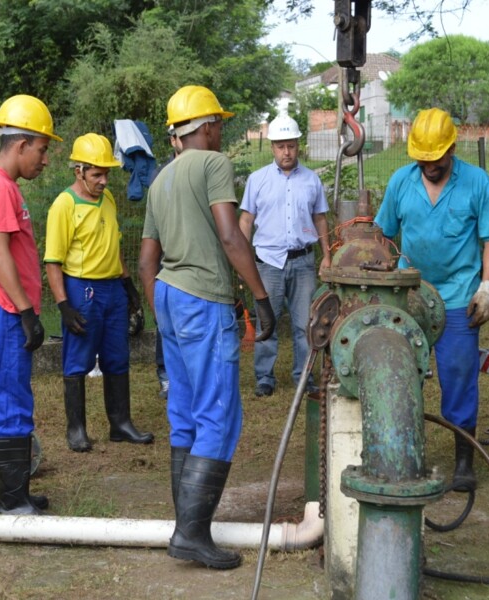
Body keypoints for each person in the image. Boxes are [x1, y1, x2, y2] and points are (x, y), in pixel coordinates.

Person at [138, 85, 276, 570]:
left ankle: (186, 525)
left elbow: (145, 261)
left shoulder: (160, 180)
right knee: (218, 414)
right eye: (219, 123)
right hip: (203, 298)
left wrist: (163, 316)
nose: (222, 130)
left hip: (170, 297)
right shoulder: (214, 165)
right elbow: (230, 235)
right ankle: (192, 535)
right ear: (207, 127)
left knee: (185, 413)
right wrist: (260, 297)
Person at [374, 107, 489, 492]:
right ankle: (400, 451)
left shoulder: (477, 183)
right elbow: (383, 233)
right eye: (422, 159)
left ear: (452, 148)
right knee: (398, 372)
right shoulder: (401, 182)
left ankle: (464, 460)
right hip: (408, 295)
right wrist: (383, 271)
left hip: (458, 296)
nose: (429, 165)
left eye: (436, 158)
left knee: (459, 376)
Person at [0, 94, 60, 515]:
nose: (44, 160)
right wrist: (26, 311)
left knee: (1, 396)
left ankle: (1, 492)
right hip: (5, 309)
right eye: (42, 150)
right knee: (11, 400)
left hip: (2, 306)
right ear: (20, 144)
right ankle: (11, 500)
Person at [44, 133, 154, 453]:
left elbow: (113, 243)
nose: (104, 181)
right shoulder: (64, 205)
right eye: (97, 174)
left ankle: (120, 424)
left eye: (106, 173)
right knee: (78, 359)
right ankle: (76, 429)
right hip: (82, 289)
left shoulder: (107, 200)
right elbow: (53, 261)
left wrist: (127, 283)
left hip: (112, 289)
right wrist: (63, 304)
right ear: (78, 171)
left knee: (117, 357)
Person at [239, 114, 331, 398]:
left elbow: (320, 219)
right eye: (280, 146)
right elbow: (245, 221)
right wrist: (241, 262)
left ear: (298, 145)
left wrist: (326, 256)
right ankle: (264, 377)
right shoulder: (257, 180)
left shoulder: (312, 180)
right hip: (268, 263)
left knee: (307, 323)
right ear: (272, 147)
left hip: (303, 262)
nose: (286, 152)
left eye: (291, 146)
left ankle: (304, 376)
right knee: (268, 320)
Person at [154, 126, 184, 400]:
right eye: (178, 136)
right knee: (166, 326)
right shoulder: (161, 176)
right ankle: (165, 376)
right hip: (168, 261)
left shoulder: (204, 168)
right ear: (172, 140)